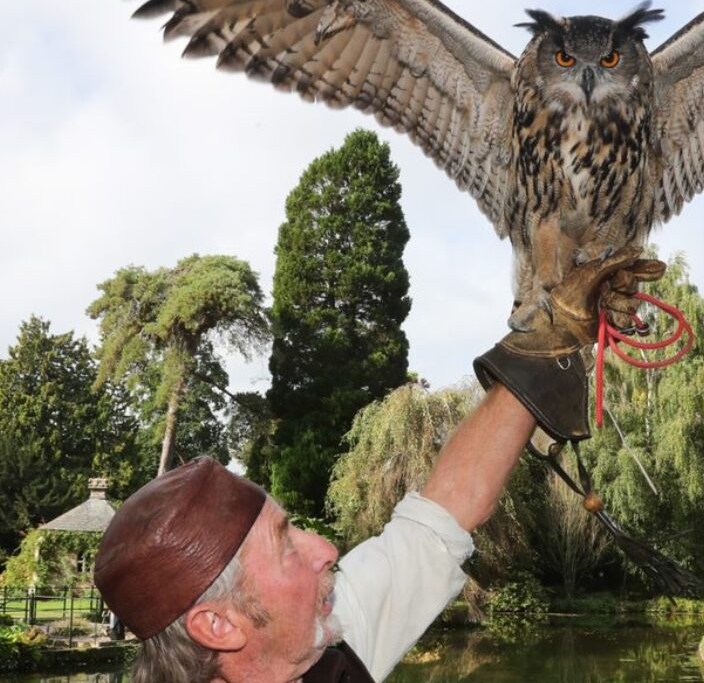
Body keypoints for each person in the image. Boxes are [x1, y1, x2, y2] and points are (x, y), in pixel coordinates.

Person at [93, 248, 662, 683]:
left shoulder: (319, 641)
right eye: (286, 543)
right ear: (219, 626)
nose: (327, 551)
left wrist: (550, 341)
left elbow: (443, 512)